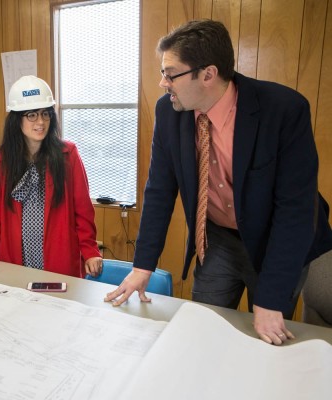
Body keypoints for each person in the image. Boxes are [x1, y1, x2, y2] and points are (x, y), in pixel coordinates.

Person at [105, 19, 332, 345]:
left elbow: (295, 211)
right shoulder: (169, 112)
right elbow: (159, 191)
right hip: (218, 239)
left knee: (264, 334)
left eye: (170, 73)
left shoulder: (283, 110)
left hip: (275, 242)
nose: (162, 82)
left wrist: (270, 298)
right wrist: (143, 267)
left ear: (208, 74)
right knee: (204, 327)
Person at [0, 76, 102, 278]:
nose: (40, 122)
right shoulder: (3, 159)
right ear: (17, 119)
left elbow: (83, 210)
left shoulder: (68, 154)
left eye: (45, 114)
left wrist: (90, 252)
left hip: (58, 255)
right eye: (31, 115)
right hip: (16, 256)